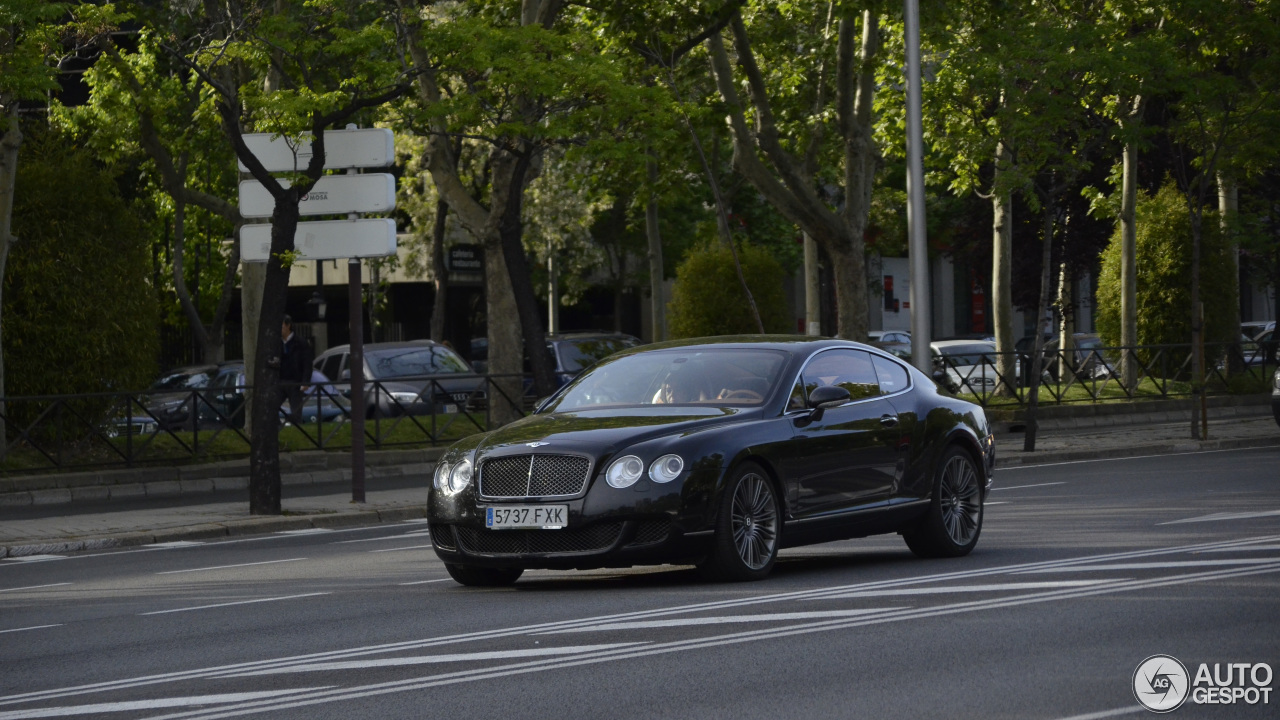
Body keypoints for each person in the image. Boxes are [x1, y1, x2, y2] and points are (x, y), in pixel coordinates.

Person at [279, 314, 313, 425]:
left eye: (281, 325)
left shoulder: (300, 342)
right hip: (281, 381)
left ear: (288, 326)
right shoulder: (277, 343)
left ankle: (296, 429)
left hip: (295, 381)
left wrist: (305, 381)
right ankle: (278, 427)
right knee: (272, 407)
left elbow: (307, 363)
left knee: (296, 412)